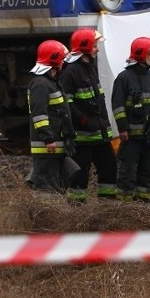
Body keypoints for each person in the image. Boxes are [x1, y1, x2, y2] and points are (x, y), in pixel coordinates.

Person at [58, 28, 117, 202]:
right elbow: (66, 102)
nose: (97, 49)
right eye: (94, 45)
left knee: (109, 167)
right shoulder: (70, 72)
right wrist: (82, 119)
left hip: (99, 135)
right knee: (79, 175)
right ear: (84, 46)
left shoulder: (89, 67)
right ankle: (76, 210)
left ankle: (107, 207)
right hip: (83, 137)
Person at [111, 36, 150, 201]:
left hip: (149, 136)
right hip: (131, 137)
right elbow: (118, 106)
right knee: (128, 171)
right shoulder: (124, 78)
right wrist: (123, 128)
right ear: (141, 55)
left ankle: (143, 203)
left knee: (147, 171)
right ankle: (124, 206)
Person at [26, 39, 78, 196]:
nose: (64, 62)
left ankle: (54, 214)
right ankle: (46, 215)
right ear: (54, 60)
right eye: (62, 59)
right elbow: (39, 115)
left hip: (55, 143)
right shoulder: (41, 84)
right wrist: (48, 139)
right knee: (46, 187)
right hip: (47, 146)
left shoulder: (51, 82)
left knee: (56, 185)